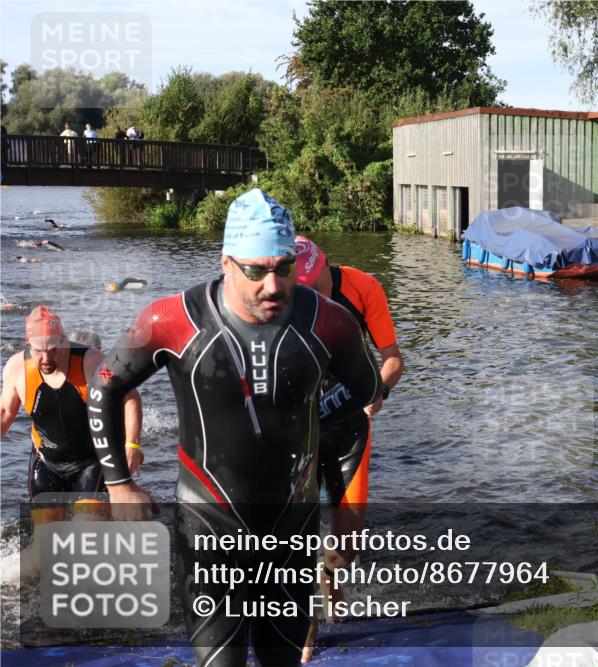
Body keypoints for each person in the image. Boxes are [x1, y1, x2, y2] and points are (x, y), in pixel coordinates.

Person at [88, 188, 382, 666]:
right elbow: (104, 388)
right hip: (209, 526)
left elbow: (366, 392)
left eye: (284, 267)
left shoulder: (329, 322)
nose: (274, 285)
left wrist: (316, 432)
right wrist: (119, 484)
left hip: (291, 526)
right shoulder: (172, 320)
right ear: (226, 262)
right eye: (256, 270)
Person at [293, 235, 404, 662]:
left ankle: (330, 578)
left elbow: (393, 358)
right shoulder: (281, 300)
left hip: (351, 430)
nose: (310, 295)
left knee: (347, 543)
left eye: (314, 284)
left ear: (326, 264)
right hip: (301, 430)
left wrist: (380, 392)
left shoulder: (362, 287)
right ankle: (306, 626)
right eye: (300, 287)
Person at [0, 307, 143, 512]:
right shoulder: (16, 368)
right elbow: (4, 412)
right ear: (28, 344)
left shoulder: (92, 362)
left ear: (64, 340)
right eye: (39, 351)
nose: (46, 359)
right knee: (46, 529)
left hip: (93, 459)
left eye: (53, 349)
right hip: (47, 461)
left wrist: (132, 446)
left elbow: (130, 396)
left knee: (86, 522)